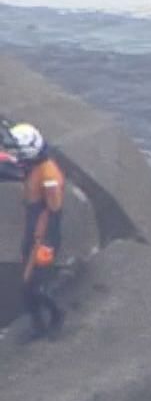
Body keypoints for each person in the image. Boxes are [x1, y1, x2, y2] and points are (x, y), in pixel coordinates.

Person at [2, 121, 64, 339]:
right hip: (33, 225)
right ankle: (38, 324)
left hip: (44, 234)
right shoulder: (33, 164)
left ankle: (55, 316)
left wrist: (41, 242)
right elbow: (11, 164)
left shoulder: (49, 176)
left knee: (32, 284)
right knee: (27, 279)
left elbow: (51, 211)